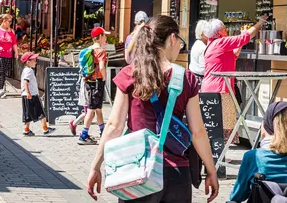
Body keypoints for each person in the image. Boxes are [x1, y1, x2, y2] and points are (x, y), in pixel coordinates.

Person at [87, 15, 219, 203]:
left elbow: (114, 126)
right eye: (180, 42)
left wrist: (95, 166)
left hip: (136, 170)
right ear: (172, 38)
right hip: (176, 174)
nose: (179, 48)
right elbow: (197, 132)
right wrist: (211, 170)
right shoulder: (186, 78)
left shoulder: (129, 74)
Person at [201, 17, 266, 144]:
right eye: (225, 28)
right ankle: (220, 155)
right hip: (220, 89)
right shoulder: (221, 42)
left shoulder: (212, 44)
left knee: (213, 124)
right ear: (219, 32)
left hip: (209, 88)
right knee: (225, 123)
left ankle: (217, 155)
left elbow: (234, 54)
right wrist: (259, 24)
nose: (227, 30)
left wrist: (240, 39)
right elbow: (245, 38)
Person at [78, 27, 108, 145]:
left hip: (89, 81)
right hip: (97, 82)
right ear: (100, 37)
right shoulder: (100, 51)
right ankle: (83, 136)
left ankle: (103, 133)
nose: (106, 38)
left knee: (98, 109)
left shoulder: (89, 49)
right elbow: (101, 67)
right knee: (91, 110)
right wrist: (104, 77)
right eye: (104, 36)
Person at [20, 52, 55, 136]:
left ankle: (26, 130)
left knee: (27, 113)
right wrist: (28, 92)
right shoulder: (29, 71)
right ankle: (45, 129)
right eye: (34, 60)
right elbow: (25, 82)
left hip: (25, 95)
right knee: (41, 112)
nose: (36, 62)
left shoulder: (25, 70)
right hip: (32, 95)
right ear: (28, 62)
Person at [0, 14, 18, 99]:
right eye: (9, 21)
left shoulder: (11, 31)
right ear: (4, 21)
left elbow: (14, 43)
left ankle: (1, 89)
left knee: (5, 73)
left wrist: (16, 52)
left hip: (8, 54)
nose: (10, 23)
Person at [188, 20, 208, 85]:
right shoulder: (203, 47)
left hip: (193, 77)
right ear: (202, 34)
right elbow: (203, 69)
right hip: (200, 80)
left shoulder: (196, 43)